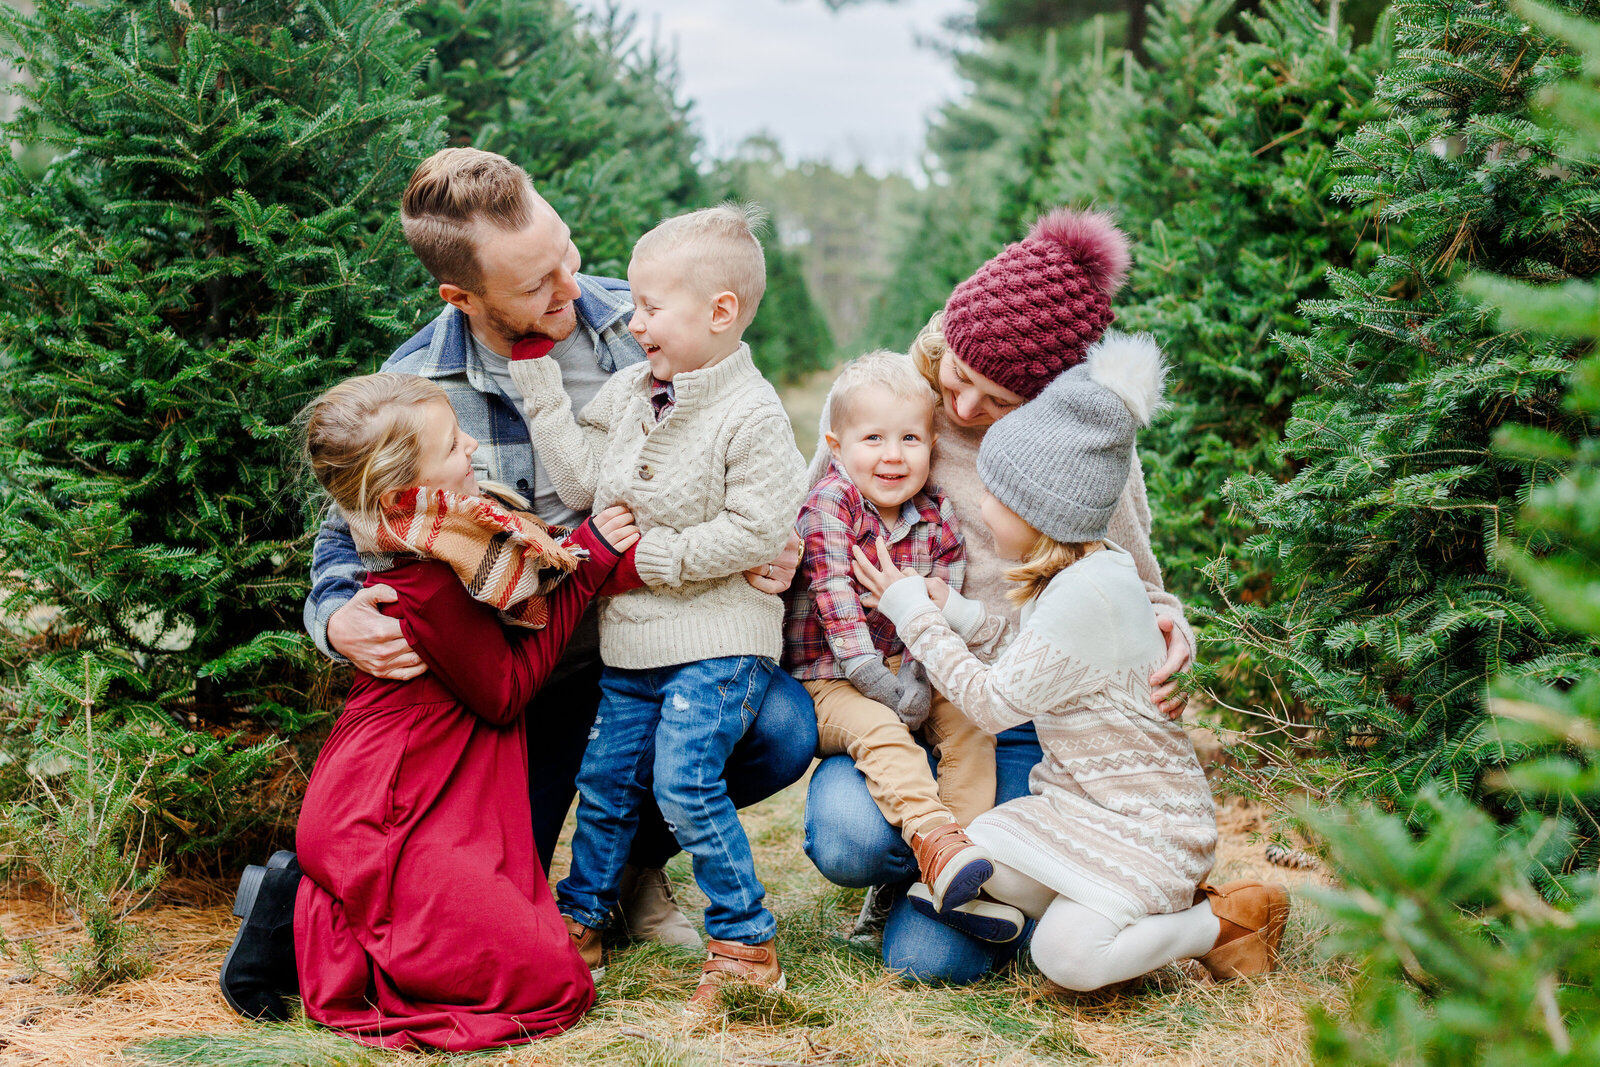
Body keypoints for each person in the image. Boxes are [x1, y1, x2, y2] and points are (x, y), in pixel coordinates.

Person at [301, 148, 817, 948]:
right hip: (532, 677)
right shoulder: (420, 383)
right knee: (512, 892)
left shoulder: (634, 324)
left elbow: (746, 451)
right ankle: (563, 882)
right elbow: (346, 525)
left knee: (780, 730)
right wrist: (336, 616)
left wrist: (781, 547)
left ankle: (636, 868)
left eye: (566, 255)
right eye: (537, 284)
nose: (571, 287)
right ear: (460, 295)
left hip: (659, 634)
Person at [802, 208, 1197, 982]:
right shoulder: (890, 401)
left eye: (998, 399)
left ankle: (1002, 887)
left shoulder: (1077, 447)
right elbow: (808, 516)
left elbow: (1139, 579)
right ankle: (907, 866)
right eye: (960, 379)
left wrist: (1172, 628)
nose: (966, 409)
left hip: (1012, 713)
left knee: (931, 962)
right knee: (847, 835)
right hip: (898, 692)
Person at [853, 335, 1289, 990]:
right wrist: (964, 616)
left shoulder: (1089, 592)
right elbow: (1038, 658)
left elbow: (996, 701)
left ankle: (1220, 922)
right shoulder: (1073, 573)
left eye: (996, 499)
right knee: (974, 851)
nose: (983, 508)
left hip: (1146, 827)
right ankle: (1080, 904)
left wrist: (914, 610)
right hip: (1077, 807)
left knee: (1065, 957)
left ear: (1041, 513)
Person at [224, 373, 633, 1049]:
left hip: (419, 788)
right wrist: (588, 570)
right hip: (387, 811)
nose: (471, 444)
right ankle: (305, 920)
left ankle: (321, 902)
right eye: (451, 444)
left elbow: (538, 560)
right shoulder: (425, 572)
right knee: (554, 986)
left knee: (537, 968)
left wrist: (588, 551)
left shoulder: (456, 532)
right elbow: (504, 692)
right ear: (397, 491)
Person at [505, 205, 806, 1011]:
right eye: (634, 305)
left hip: (716, 644)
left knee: (683, 783)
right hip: (631, 649)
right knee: (605, 782)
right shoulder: (634, 391)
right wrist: (537, 375)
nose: (633, 322)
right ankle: (585, 921)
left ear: (721, 312)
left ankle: (745, 941)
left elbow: (759, 527)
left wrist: (647, 561)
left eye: (649, 307)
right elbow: (580, 480)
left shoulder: (753, 412)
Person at [783, 351, 999, 921]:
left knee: (972, 726)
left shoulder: (937, 514)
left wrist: (921, 680)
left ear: (933, 445)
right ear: (836, 445)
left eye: (910, 439)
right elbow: (837, 608)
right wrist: (883, 684)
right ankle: (932, 837)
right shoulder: (832, 505)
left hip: (912, 671)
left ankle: (958, 869)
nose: (893, 456)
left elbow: (941, 615)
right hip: (834, 683)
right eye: (873, 438)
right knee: (880, 730)